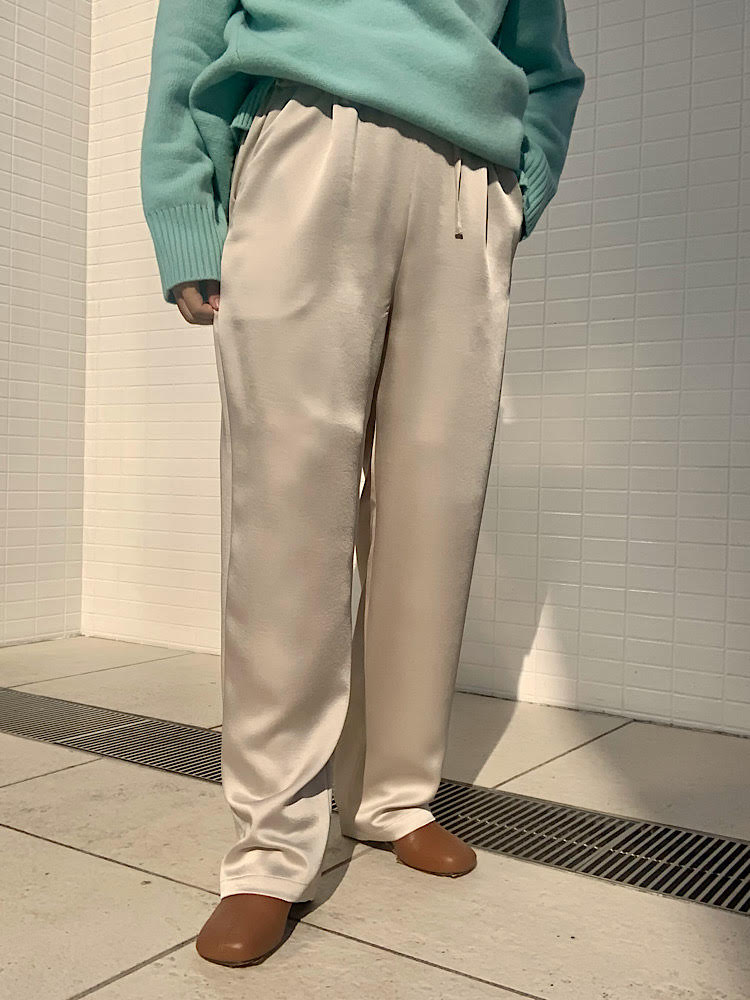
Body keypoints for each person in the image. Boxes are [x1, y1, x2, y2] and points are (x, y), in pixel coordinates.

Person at [140, 0, 585, 969]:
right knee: (285, 511)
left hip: (467, 178)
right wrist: (184, 207)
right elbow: (190, 31)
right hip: (305, 135)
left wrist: (520, 182)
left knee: (436, 507)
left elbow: (546, 58)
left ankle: (395, 795)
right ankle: (273, 844)